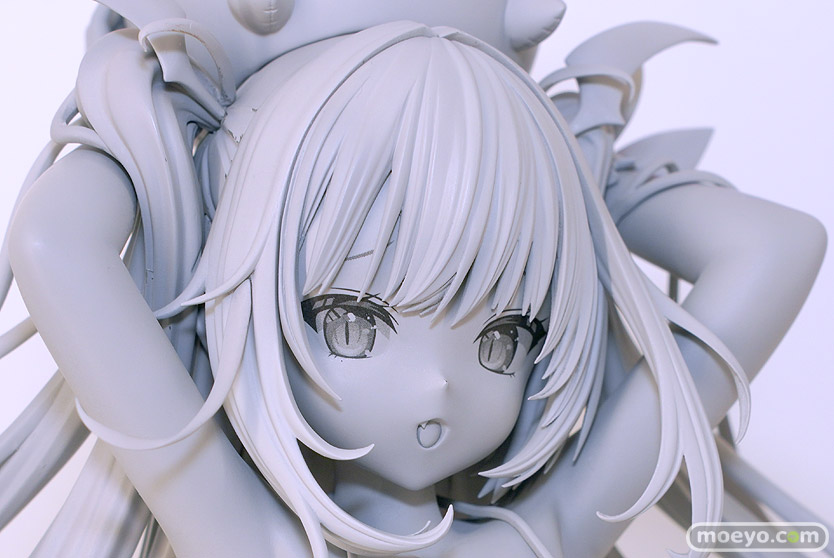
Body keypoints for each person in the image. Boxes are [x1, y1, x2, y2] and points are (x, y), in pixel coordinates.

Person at [0, 8, 826, 558]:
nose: (438, 385)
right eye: (354, 321)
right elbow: (54, 242)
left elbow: (782, 248)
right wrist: (162, 148)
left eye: (504, 339)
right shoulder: (251, 538)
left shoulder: (545, 533)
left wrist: (576, 193)